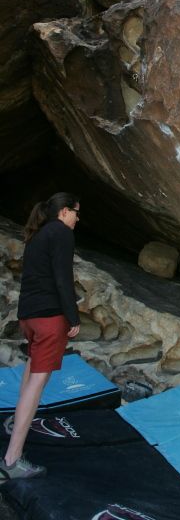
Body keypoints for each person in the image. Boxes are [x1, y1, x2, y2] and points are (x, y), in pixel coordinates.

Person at [0, 192, 81, 482]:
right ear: (63, 212)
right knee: (38, 383)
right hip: (49, 319)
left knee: (32, 370)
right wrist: (73, 317)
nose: (77, 218)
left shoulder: (38, 234)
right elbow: (63, 278)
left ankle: (14, 422)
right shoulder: (61, 233)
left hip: (30, 316)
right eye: (75, 212)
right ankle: (12, 459)